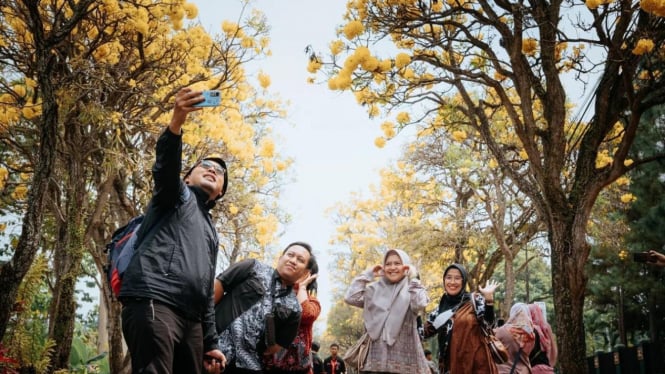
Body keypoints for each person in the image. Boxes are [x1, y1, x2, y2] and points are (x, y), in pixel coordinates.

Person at [119, 87, 227, 374]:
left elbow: (206, 291)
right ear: (187, 176)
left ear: (219, 194)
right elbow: (165, 168)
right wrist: (177, 121)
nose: (213, 170)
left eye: (220, 173)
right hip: (155, 300)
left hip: (191, 320)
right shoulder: (177, 195)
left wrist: (211, 341)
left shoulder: (211, 232)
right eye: (204, 165)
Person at [214, 242, 314, 373]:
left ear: (305, 272)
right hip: (213, 346)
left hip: (248, 366)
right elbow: (216, 289)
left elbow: (274, 348)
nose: (293, 261)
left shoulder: (295, 310)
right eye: (290, 255)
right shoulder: (252, 267)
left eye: (300, 260)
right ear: (281, 257)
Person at [344, 249, 431, 374]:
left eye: (397, 263)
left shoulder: (411, 290)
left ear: (405, 266)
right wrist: (369, 274)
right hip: (373, 364)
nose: (392, 267)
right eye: (388, 264)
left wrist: (413, 276)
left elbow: (421, 303)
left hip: (405, 365)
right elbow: (350, 297)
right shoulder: (373, 290)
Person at [424, 263, 499, 374]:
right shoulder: (440, 308)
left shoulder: (474, 301)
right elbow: (424, 332)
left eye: (457, 278)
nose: (452, 282)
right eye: (449, 277)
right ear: (444, 280)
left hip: (475, 366)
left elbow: (490, 324)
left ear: (463, 281)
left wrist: (489, 301)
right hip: (449, 367)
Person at [264, 259, 322, 373]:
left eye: (304, 271)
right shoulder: (275, 294)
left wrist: (302, 287)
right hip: (270, 364)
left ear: (309, 276)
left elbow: (305, 314)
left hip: (300, 367)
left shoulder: (313, 302)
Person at [494, 303, 535, 374]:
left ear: (513, 314)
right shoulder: (531, 335)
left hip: (505, 371)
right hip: (524, 371)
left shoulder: (503, 331)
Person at [528, 304, 557, 373]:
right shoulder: (546, 326)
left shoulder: (529, 328)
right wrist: (550, 365)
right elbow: (554, 349)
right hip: (547, 368)